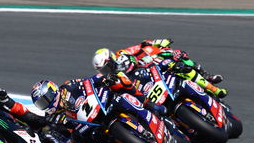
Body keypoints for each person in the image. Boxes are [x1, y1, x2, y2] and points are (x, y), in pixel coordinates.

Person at [31, 77, 166, 143]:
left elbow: (88, 81)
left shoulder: (68, 86)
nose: (45, 104)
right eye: (41, 104)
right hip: (88, 128)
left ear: (52, 91)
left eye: (45, 99)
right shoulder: (52, 117)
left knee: (122, 88)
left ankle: (149, 106)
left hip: (102, 104)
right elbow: (57, 132)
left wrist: (105, 79)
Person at [94, 44, 227, 98]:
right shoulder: (111, 77)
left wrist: (158, 43)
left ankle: (209, 81)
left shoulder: (122, 54)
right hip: (143, 85)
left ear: (110, 58)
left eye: (106, 66)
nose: (106, 71)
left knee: (178, 57)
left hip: (151, 67)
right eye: (102, 70)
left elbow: (142, 46)